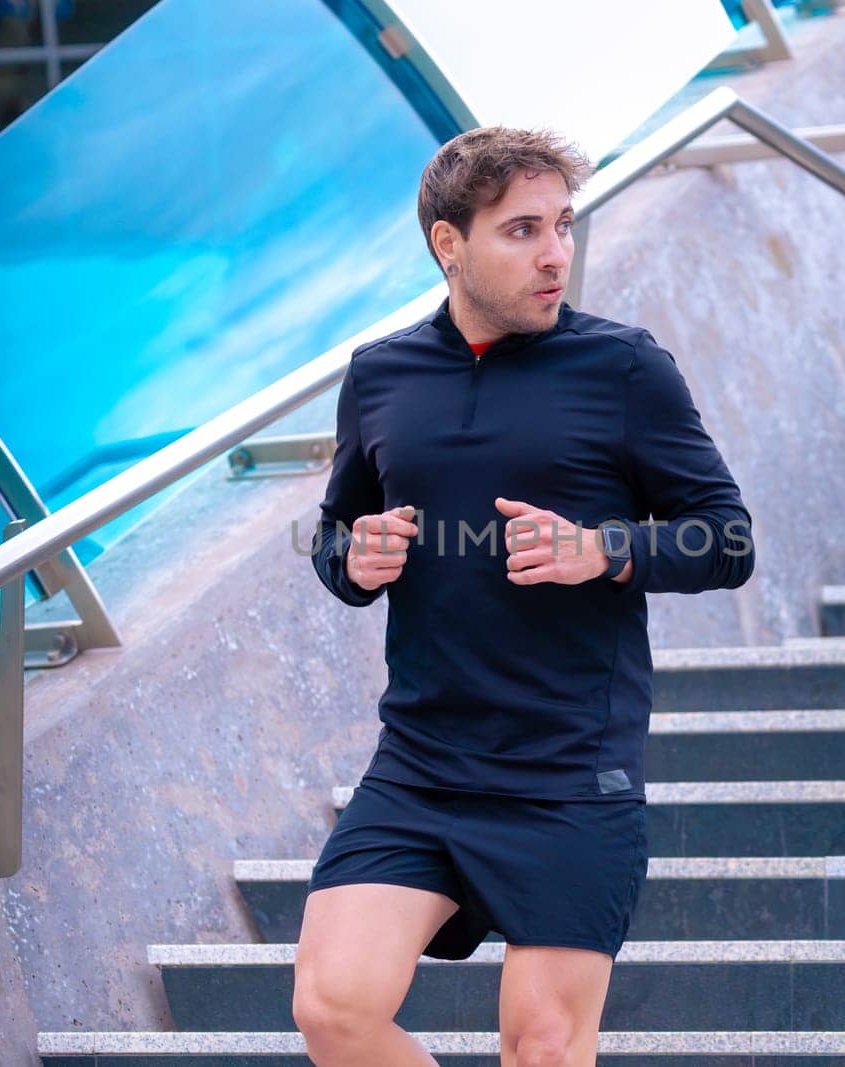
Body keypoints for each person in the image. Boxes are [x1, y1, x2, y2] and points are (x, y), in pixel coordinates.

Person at [293, 125, 755, 1066]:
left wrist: (606, 548)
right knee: (332, 1008)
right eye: (522, 231)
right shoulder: (380, 376)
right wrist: (356, 559)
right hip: (421, 761)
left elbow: (729, 537)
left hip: (568, 771)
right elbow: (336, 531)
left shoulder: (624, 368)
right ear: (448, 245)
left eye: (564, 226)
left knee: (542, 1044)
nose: (555, 256)